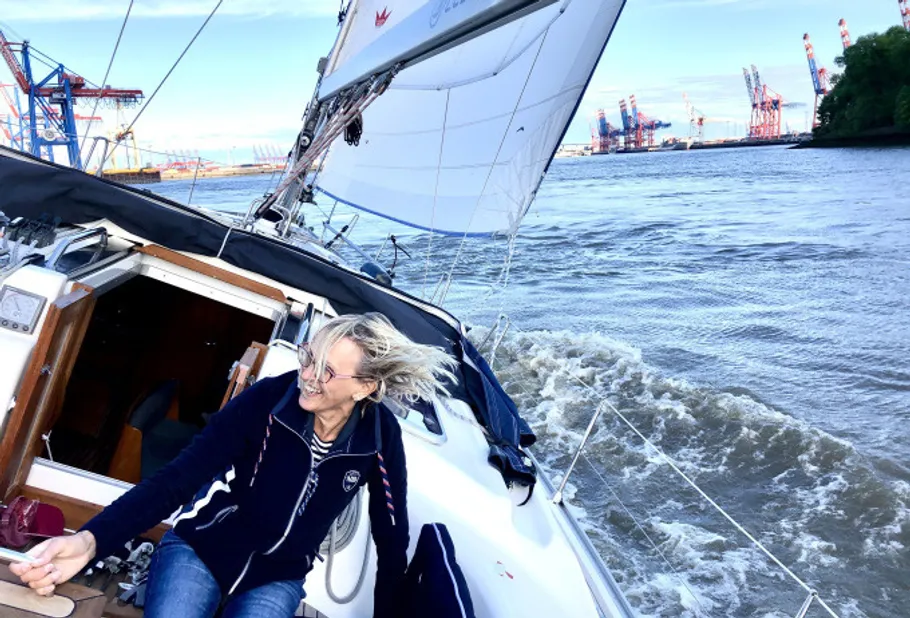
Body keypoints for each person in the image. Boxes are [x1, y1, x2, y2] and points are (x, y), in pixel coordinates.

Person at [11, 312, 456, 618]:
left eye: (325, 371)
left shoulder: (378, 438)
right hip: (202, 550)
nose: (307, 376)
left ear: (364, 387)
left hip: (278, 576)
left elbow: (391, 536)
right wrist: (91, 541)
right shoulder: (267, 401)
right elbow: (178, 481)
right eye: (308, 359)